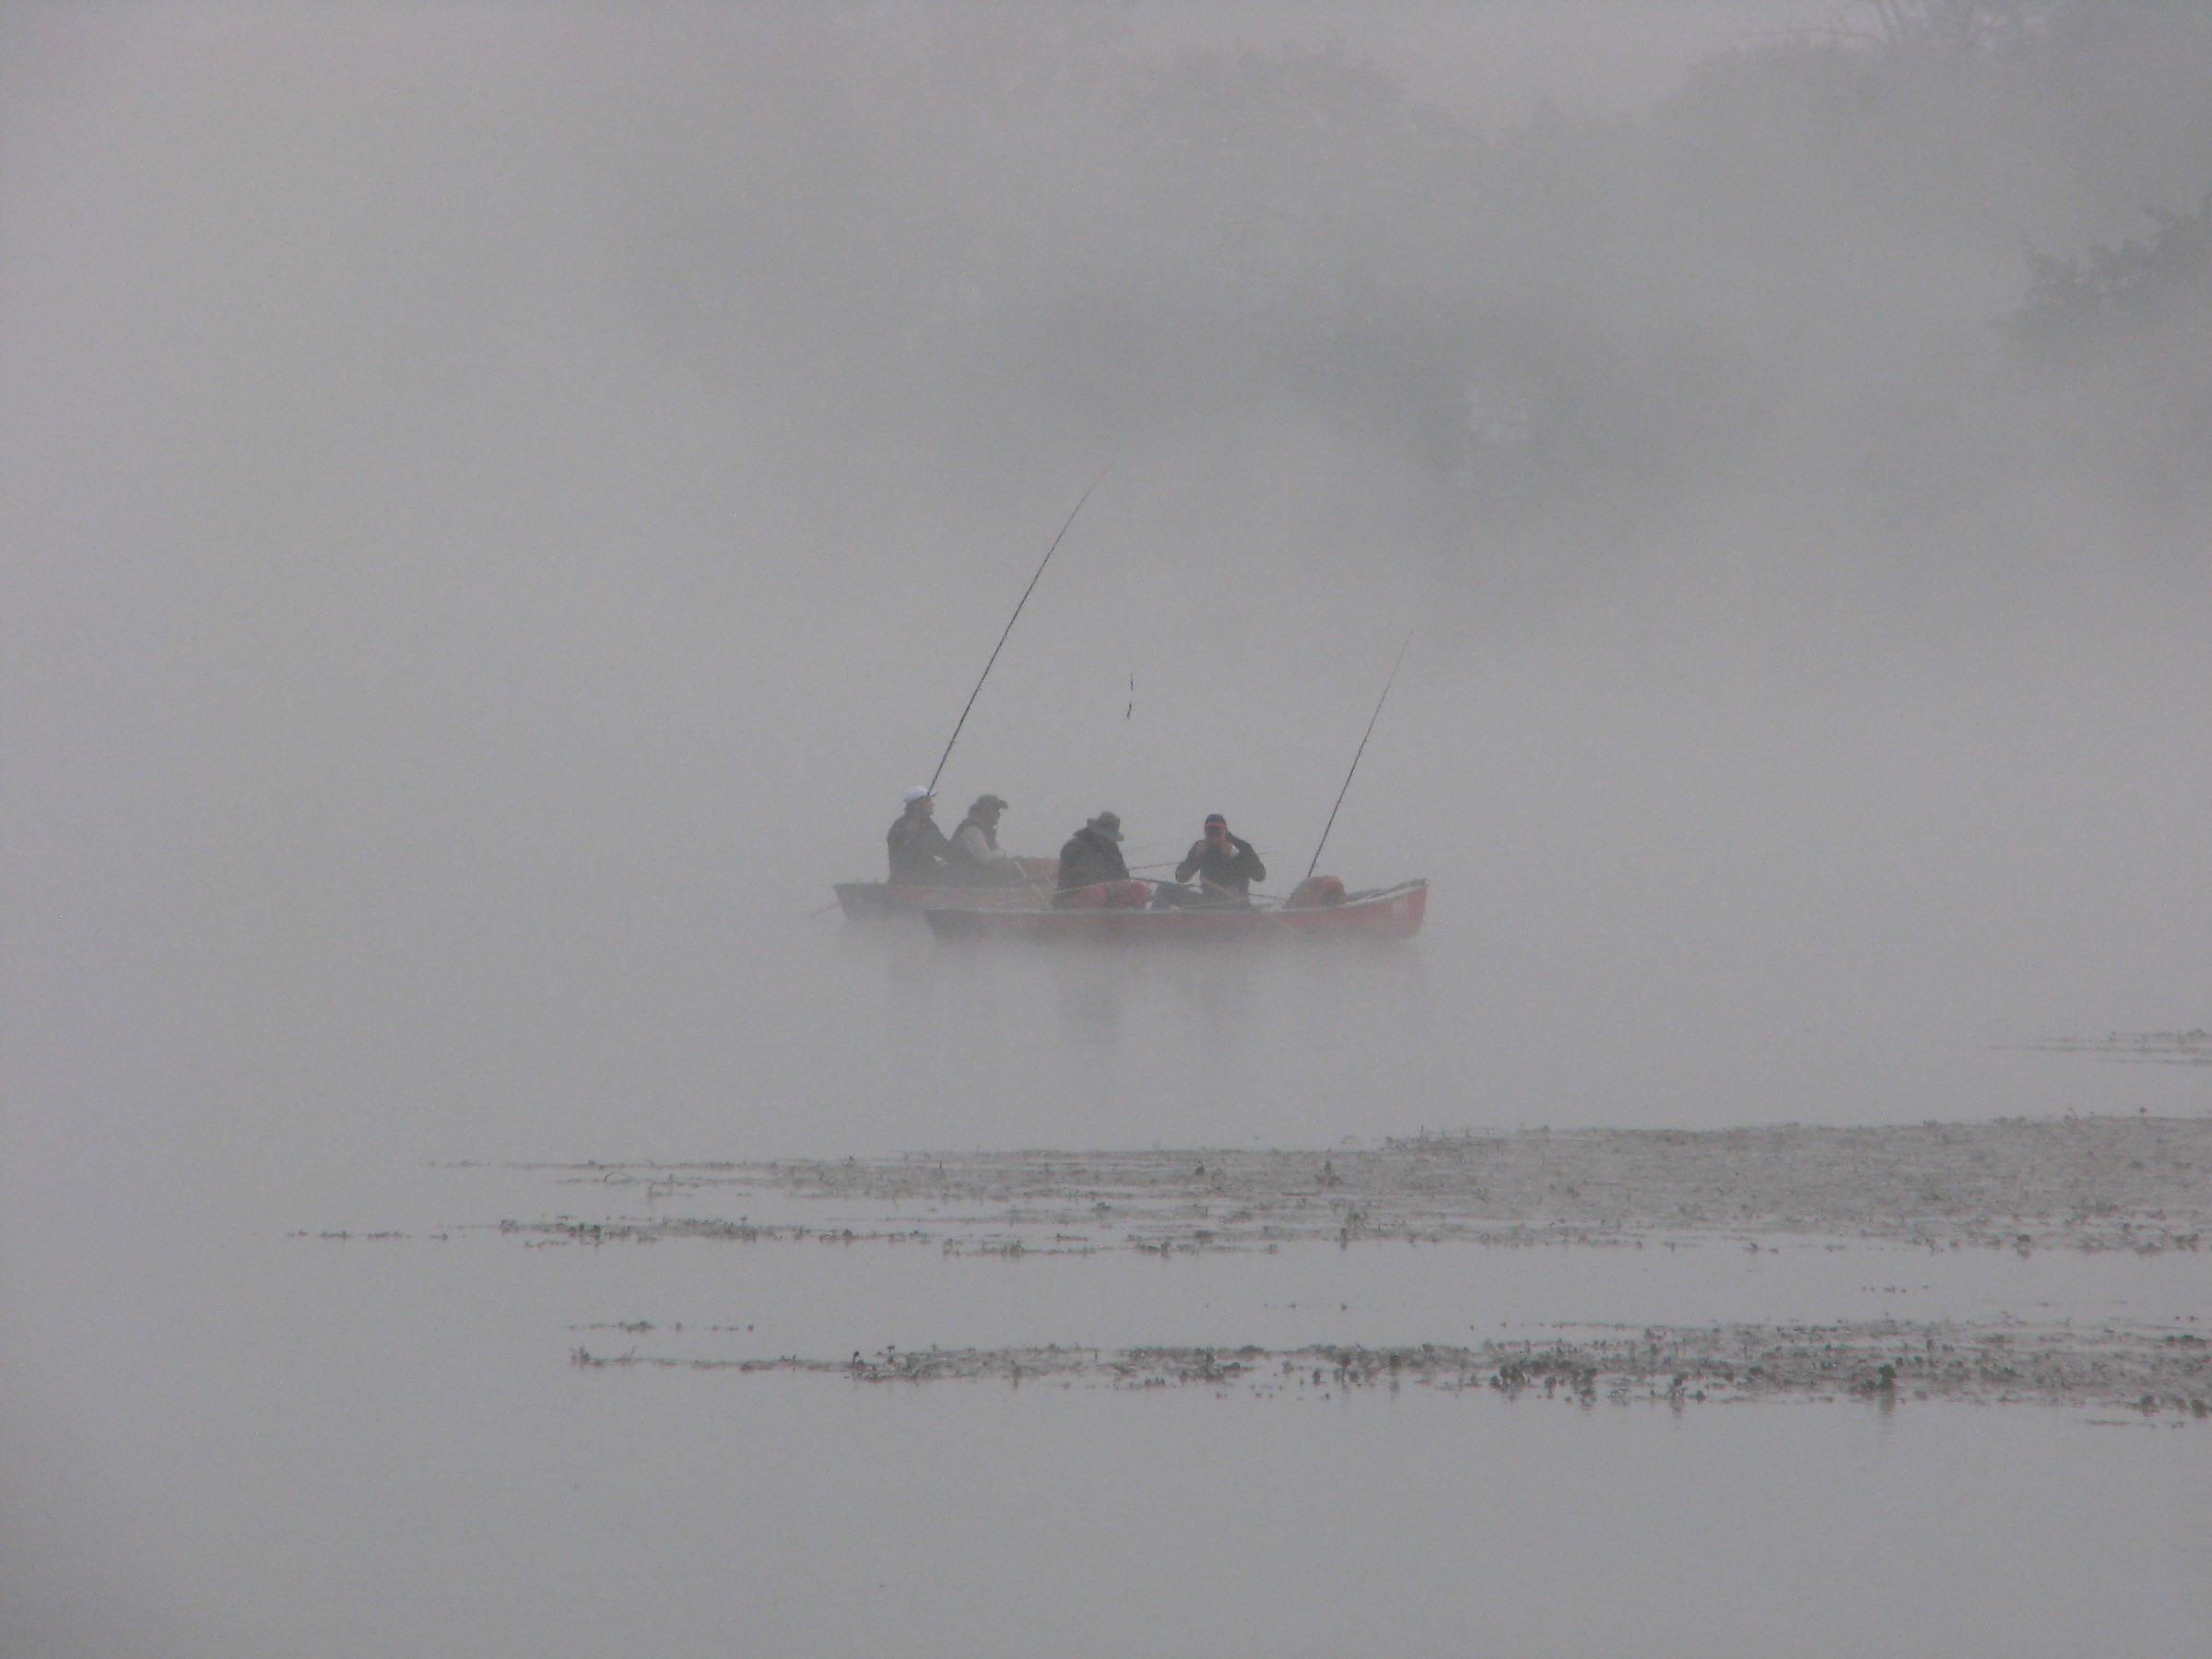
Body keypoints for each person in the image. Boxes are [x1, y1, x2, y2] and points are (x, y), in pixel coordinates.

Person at [1171, 813, 1266, 901]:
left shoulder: (1241, 846)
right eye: (1210, 834)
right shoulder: (1201, 847)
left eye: (1218, 833)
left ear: (1225, 831)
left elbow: (1260, 875)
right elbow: (1181, 878)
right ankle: (1159, 916)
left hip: (1235, 903)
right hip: (1208, 903)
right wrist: (1195, 858)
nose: (1214, 838)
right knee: (1164, 890)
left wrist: (1236, 856)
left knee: (1231, 893)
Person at [1055, 811, 1134, 902]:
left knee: (1138, 888)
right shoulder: (1074, 847)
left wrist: (1123, 882)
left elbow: (1123, 874)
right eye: (1105, 836)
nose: (1108, 840)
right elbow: (1070, 879)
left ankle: (1137, 915)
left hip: (1109, 899)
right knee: (1098, 892)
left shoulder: (1112, 849)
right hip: (1072, 897)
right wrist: (1105, 884)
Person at [947, 794, 1022, 886]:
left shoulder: (985, 830)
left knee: (1018, 862)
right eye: (995, 811)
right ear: (984, 812)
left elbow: (996, 853)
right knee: (1014, 868)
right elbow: (986, 859)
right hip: (966, 879)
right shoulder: (972, 830)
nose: (999, 815)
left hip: (975, 876)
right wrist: (1001, 853)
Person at [885, 786, 952, 883]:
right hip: (908, 880)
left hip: (927, 876)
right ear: (917, 805)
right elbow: (903, 851)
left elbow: (942, 847)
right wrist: (909, 833)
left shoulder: (929, 825)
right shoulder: (901, 825)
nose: (932, 804)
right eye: (928, 801)